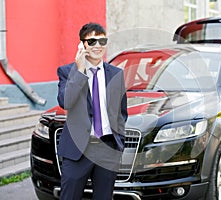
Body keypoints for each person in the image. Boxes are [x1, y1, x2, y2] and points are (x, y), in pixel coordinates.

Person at [57, 22, 128, 200]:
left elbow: (122, 111)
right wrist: (80, 70)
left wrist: (118, 142)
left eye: (102, 41)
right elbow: (65, 102)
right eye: (92, 41)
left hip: (107, 149)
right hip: (77, 150)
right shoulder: (68, 72)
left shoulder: (116, 74)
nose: (97, 46)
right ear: (83, 45)